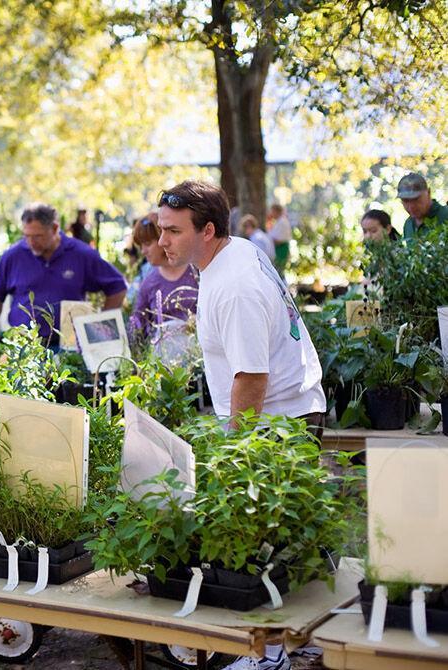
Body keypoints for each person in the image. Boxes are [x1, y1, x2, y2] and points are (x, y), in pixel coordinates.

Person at [157, 181, 326, 670]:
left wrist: (235, 450)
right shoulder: (233, 253)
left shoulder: (234, 286)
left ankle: (269, 653)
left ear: (207, 230)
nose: (161, 241)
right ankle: (300, 638)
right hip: (291, 411)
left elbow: (251, 376)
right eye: (161, 229)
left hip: (277, 423)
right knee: (290, 536)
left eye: (173, 231)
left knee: (262, 541)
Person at [0, 203, 127, 345]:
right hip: (23, 346)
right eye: (27, 236)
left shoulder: (81, 254)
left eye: (38, 236)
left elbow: (117, 286)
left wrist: (102, 323)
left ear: (55, 228)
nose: (31, 242)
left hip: (69, 347)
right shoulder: (13, 256)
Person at [127, 212, 198, 339]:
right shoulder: (148, 283)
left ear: (163, 239)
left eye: (148, 244)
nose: (143, 251)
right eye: (141, 245)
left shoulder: (196, 271)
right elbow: (137, 328)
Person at [397, 172, 448, 239]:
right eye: (405, 200)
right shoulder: (408, 225)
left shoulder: (445, 215)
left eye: (416, 199)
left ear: (428, 193)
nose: (411, 206)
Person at [266, 204, 292, 273]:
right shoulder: (279, 221)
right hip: (278, 248)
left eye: (272, 211)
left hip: (281, 248)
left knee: (279, 271)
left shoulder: (282, 222)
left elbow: (279, 239)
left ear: (276, 211)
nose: (271, 213)